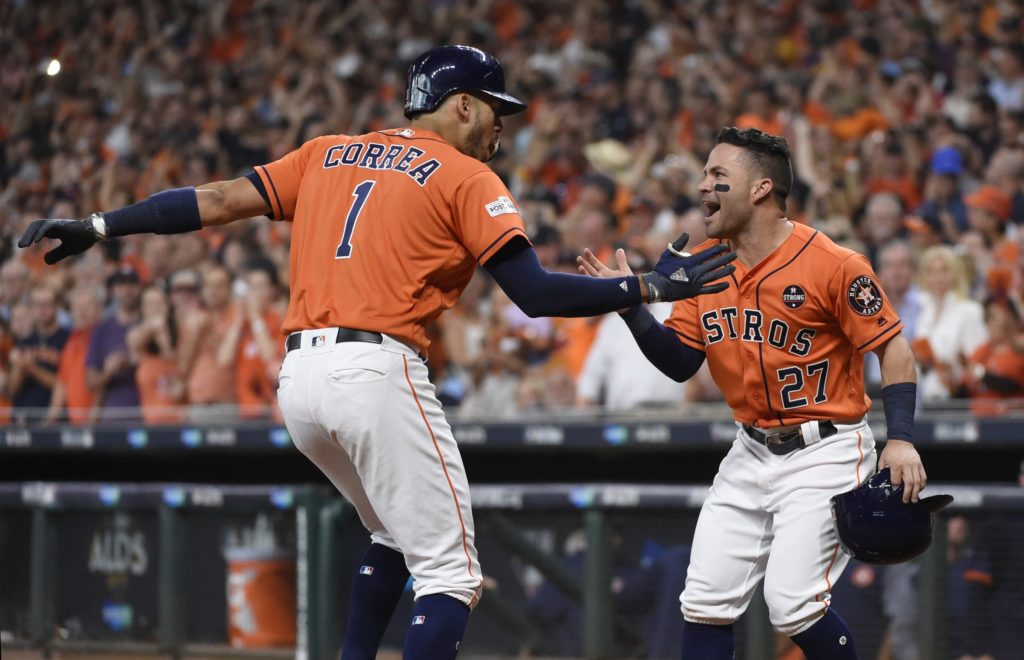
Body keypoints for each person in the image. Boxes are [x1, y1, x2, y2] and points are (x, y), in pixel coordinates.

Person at [18, 45, 735, 659]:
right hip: (376, 369)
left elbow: (215, 199)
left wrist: (100, 223)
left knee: (393, 537)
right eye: (493, 109)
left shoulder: (327, 152)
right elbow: (537, 294)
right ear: (458, 105)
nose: (500, 126)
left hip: (299, 380)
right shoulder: (465, 175)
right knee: (451, 575)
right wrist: (644, 283)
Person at [578, 126, 928, 659]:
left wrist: (900, 439)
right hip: (749, 450)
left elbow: (895, 350)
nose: (703, 187)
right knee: (704, 599)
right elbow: (678, 363)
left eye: (718, 176)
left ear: (761, 188)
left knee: (791, 605)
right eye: (703, 175)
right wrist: (632, 309)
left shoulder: (833, 263)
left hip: (825, 449)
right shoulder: (704, 269)